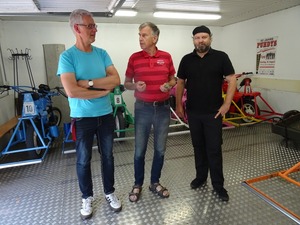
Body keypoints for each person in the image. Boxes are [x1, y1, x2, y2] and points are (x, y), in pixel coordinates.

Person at [57, 9, 122, 219]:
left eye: (94, 26)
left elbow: (115, 80)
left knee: (108, 157)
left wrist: (89, 83)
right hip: (83, 118)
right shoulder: (67, 57)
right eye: (90, 26)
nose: (95, 29)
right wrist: (101, 91)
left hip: (105, 115)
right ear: (77, 28)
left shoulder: (101, 53)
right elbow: (71, 91)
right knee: (83, 160)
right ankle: (87, 197)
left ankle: (109, 192)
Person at [175, 25, 236, 202]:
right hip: (193, 112)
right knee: (198, 147)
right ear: (193, 40)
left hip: (214, 114)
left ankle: (218, 185)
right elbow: (180, 83)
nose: (201, 40)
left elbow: (232, 79)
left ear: (210, 38)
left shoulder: (221, 57)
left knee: (214, 150)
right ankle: (201, 178)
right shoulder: (186, 60)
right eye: (197, 37)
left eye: (204, 37)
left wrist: (226, 104)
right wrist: (179, 105)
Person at [124, 22, 176, 202]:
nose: (140, 38)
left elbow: (173, 79)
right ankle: (137, 184)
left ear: (155, 38)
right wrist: (134, 85)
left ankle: (155, 182)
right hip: (142, 109)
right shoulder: (134, 58)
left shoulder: (166, 57)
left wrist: (169, 85)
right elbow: (126, 83)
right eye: (139, 35)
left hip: (162, 108)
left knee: (160, 149)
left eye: (144, 35)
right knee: (139, 150)